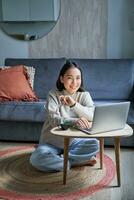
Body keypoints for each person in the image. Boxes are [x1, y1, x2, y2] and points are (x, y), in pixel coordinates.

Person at [30, 61, 99, 172]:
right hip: (51, 143)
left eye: (78, 78)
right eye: (70, 78)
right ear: (62, 79)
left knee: (95, 143)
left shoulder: (84, 95)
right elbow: (54, 120)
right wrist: (75, 122)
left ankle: (63, 162)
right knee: (36, 159)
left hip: (73, 142)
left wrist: (73, 104)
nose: (74, 82)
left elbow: (92, 116)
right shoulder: (53, 94)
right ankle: (74, 162)